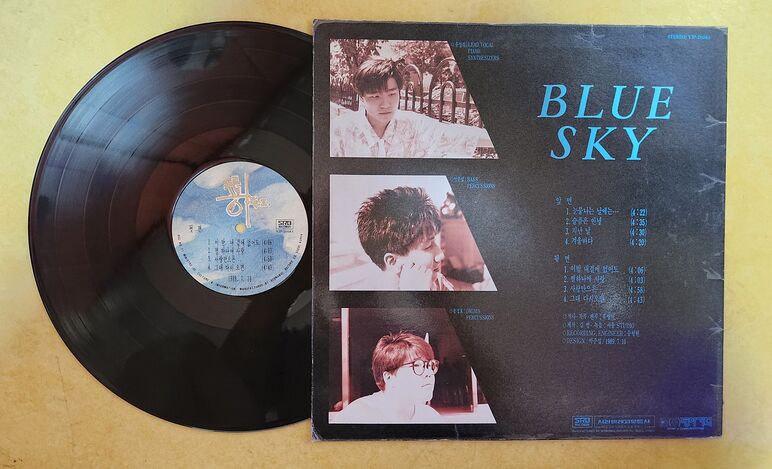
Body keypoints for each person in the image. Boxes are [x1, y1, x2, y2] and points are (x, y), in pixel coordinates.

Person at [330, 57, 495, 158]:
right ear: (362, 98)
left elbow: (457, 135)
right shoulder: (338, 131)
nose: (386, 104)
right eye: (375, 96)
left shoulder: (413, 125)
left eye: (392, 94)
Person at [356, 186, 454, 291]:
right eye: (428, 246)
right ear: (392, 261)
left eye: (434, 242)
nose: (441, 255)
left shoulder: (439, 283)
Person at [334, 332, 443, 424]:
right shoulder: (356, 416)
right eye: (417, 366)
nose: (429, 373)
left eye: (429, 365)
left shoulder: (430, 417)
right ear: (389, 377)